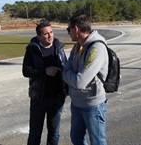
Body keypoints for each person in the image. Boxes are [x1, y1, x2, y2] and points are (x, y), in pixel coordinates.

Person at [63, 15, 109, 145]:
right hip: (77, 102)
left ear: (76, 29)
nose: (68, 32)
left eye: (68, 29)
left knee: (98, 142)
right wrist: (68, 73)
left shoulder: (96, 48)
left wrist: (67, 74)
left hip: (93, 104)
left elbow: (80, 82)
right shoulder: (77, 46)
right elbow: (67, 69)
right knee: (76, 138)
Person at [22, 21, 68, 145]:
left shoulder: (59, 48)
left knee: (54, 132)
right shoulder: (32, 49)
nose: (50, 36)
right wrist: (44, 71)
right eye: (46, 34)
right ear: (39, 37)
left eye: (51, 32)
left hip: (57, 98)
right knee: (35, 133)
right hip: (39, 98)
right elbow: (26, 71)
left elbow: (66, 69)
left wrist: (67, 91)